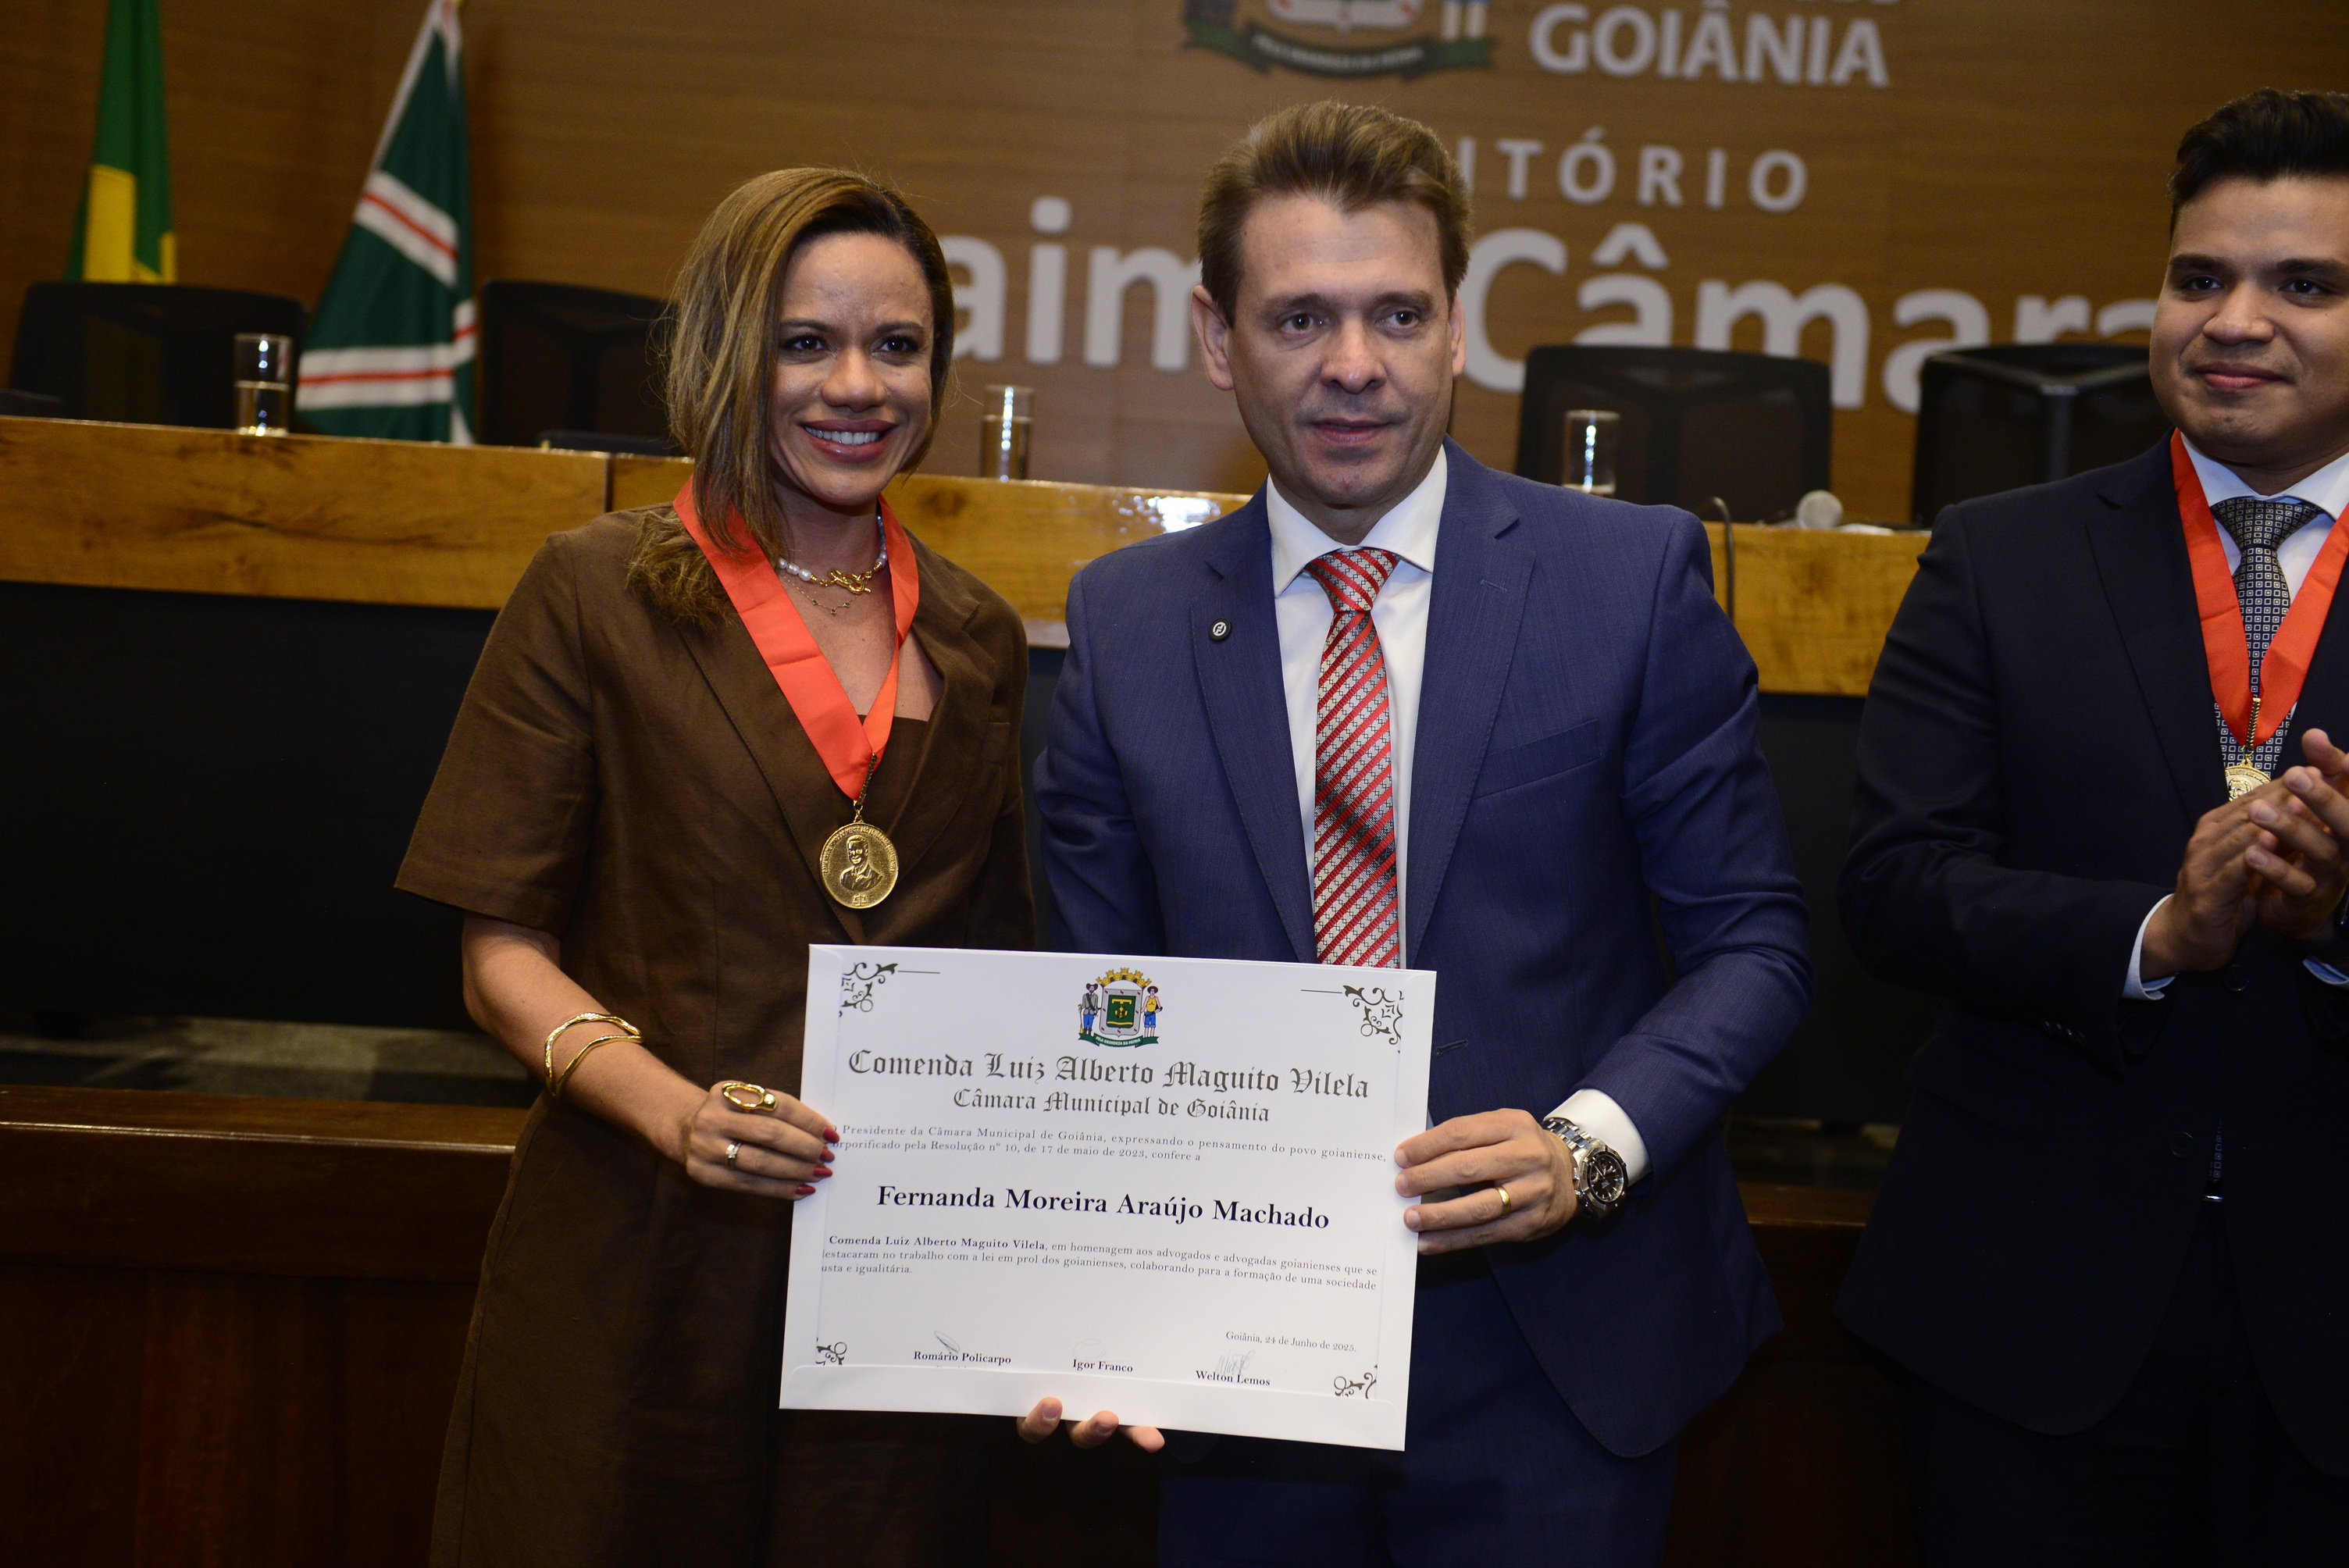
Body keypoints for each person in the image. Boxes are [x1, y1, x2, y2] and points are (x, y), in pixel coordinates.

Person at [1021, 101, 1811, 1565]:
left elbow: (1755, 946)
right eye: (1298, 318)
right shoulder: (1126, 626)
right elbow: (1097, 1010)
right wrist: (1076, 1305)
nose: (1353, 365)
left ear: (1457, 328)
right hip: (1234, 1372)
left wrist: (1585, 1149)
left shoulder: (1627, 580)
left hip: (1558, 1352)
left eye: (1398, 313)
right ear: (1217, 338)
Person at [394, 168, 1034, 1567]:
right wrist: (678, 1116)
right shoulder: (591, 590)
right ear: (725, 351)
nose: (856, 385)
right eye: (806, 343)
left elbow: (1007, 978)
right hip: (637, 1255)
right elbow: (498, 955)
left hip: (891, 1289)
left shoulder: (979, 635)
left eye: (898, 345)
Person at [1837, 87, 2349, 1561]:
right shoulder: (2001, 555)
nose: (2233, 322)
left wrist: (2337, 924)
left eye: (2302, 285)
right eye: (2200, 277)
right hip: (2028, 1314)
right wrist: (2155, 933)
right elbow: (1894, 887)